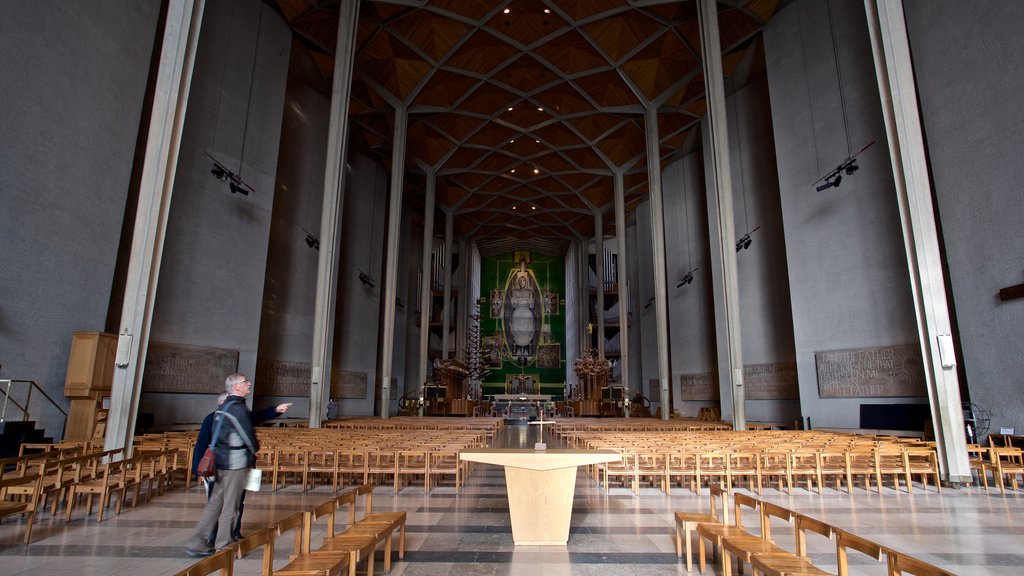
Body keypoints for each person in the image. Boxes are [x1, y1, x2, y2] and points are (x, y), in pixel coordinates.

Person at [184, 374, 289, 557]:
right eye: (244, 382)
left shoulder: (225, 407)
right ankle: (224, 545)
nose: (248, 384)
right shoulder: (237, 409)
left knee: (215, 504)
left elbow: (252, 417)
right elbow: (248, 435)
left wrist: (275, 410)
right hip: (235, 464)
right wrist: (255, 448)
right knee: (231, 506)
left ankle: (197, 541)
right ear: (235, 387)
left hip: (222, 464)